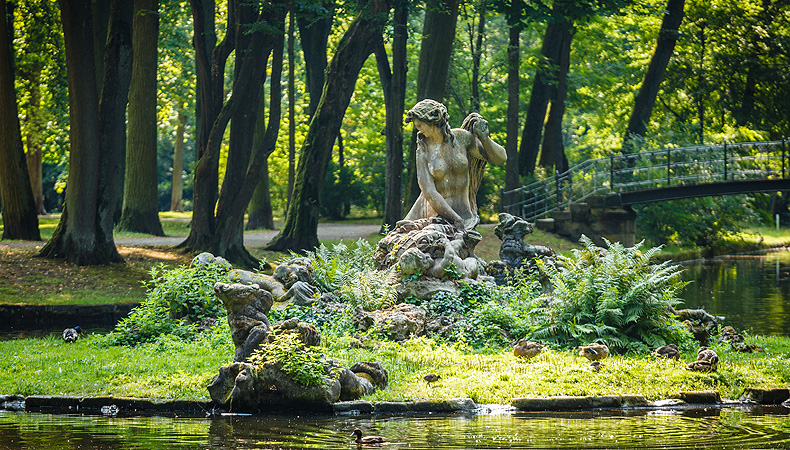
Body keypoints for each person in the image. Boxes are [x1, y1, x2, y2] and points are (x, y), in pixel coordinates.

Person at [404, 99, 506, 231]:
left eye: (420, 125)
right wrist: (456, 219)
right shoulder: (423, 150)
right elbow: (429, 192)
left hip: (465, 216)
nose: (418, 130)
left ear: (433, 121)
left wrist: (485, 138)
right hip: (436, 218)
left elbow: (500, 158)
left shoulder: (461, 138)